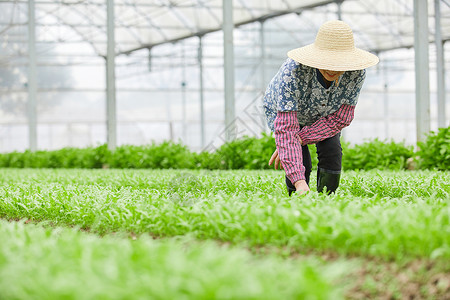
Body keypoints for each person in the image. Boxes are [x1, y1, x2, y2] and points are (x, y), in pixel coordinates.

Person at [263, 20, 379, 195]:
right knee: (302, 159)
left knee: (332, 151)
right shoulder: (293, 71)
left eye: (339, 64)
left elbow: (342, 117)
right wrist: (299, 179)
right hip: (290, 112)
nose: (331, 70)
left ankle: (327, 199)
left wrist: (299, 138)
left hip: (327, 115)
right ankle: (297, 197)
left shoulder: (357, 74)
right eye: (327, 62)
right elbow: (287, 128)